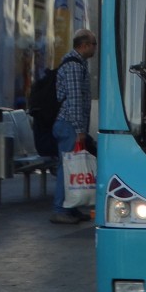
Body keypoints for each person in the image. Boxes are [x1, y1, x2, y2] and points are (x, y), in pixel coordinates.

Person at [50, 28, 97, 225]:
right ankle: (60, 209)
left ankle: (71, 207)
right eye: (94, 44)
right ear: (84, 45)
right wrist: (79, 130)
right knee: (67, 167)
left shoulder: (78, 64)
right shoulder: (74, 66)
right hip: (69, 124)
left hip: (71, 124)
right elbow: (75, 99)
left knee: (71, 167)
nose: (95, 49)